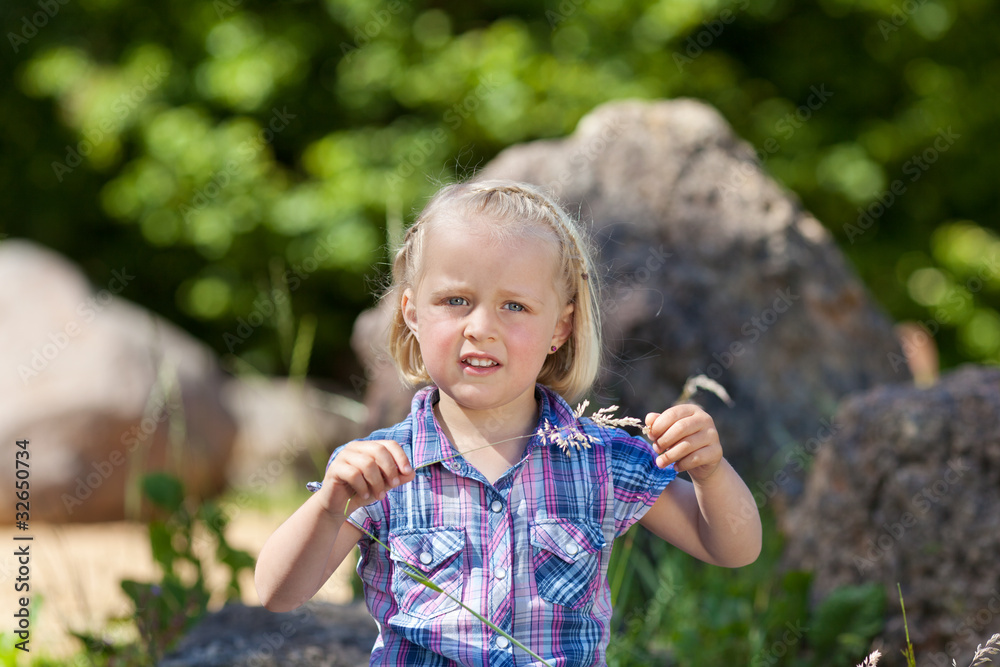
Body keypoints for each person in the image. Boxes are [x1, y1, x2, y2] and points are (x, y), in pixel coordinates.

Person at [254, 179, 762, 666]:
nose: (481, 328)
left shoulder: (599, 460)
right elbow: (279, 594)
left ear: (559, 328)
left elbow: (731, 547)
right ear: (412, 312)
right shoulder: (381, 469)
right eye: (456, 301)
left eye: (514, 306)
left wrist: (710, 473)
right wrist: (330, 505)